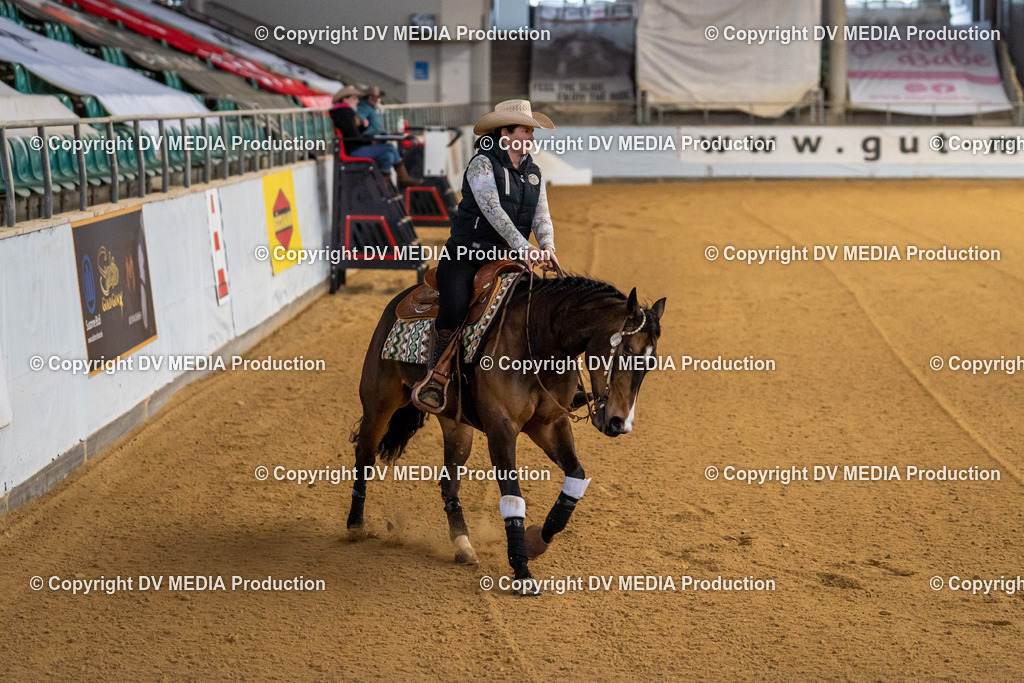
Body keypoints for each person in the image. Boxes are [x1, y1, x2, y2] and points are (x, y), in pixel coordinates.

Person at [412, 99, 559, 413]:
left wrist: (548, 247)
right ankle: (436, 378)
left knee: (537, 308)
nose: (532, 139)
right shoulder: (482, 163)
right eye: (526, 131)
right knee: (453, 306)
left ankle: (548, 382)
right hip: (466, 255)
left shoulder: (534, 173)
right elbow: (493, 212)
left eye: (532, 132)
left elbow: (541, 215)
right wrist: (525, 248)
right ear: (505, 132)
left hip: (507, 258)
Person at [330, 85, 419, 187]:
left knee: (388, 156)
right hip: (354, 151)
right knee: (390, 148)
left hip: (354, 148)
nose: (357, 101)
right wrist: (369, 140)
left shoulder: (344, 113)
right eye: (354, 98)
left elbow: (352, 133)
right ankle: (402, 178)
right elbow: (353, 136)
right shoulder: (345, 113)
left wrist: (362, 128)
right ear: (345, 99)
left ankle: (384, 187)